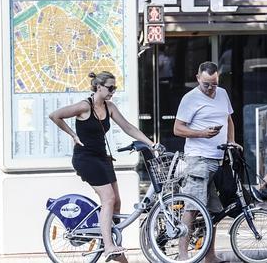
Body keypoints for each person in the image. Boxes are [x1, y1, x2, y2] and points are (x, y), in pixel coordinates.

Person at [49, 71, 154, 262]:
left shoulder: (109, 107)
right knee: (108, 198)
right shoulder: (84, 106)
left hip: (102, 158)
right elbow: (55, 115)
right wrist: (73, 134)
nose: (113, 91)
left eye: (115, 88)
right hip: (85, 158)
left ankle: (112, 240)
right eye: (110, 87)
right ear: (98, 87)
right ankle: (108, 246)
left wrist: (150, 143)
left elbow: (128, 127)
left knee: (117, 201)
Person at [174, 61, 240, 263]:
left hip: (217, 160)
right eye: (206, 84)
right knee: (193, 207)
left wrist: (231, 141)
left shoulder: (222, 93)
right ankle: (182, 254)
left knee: (213, 210)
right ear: (197, 79)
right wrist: (202, 133)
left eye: (214, 83)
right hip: (198, 159)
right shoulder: (190, 99)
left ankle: (209, 256)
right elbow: (177, 129)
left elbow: (228, 119)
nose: (211, 89)